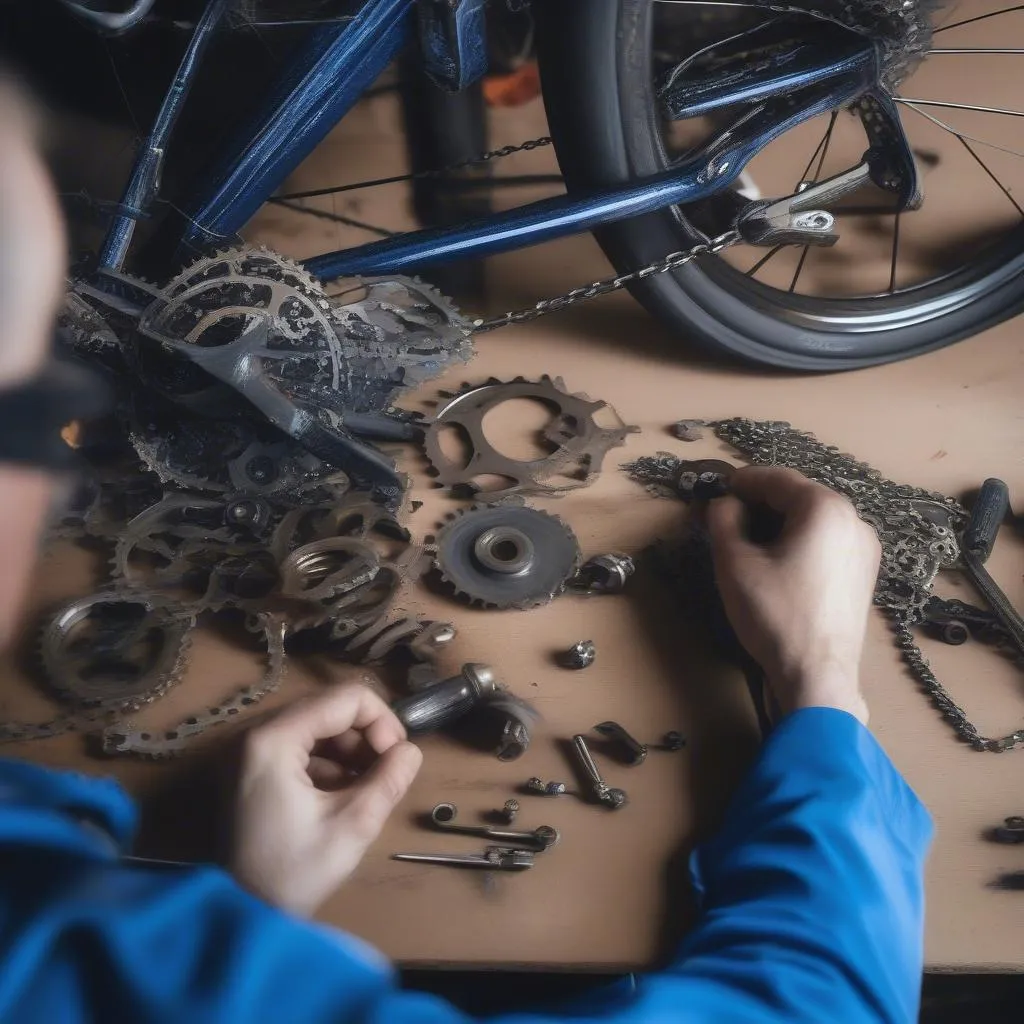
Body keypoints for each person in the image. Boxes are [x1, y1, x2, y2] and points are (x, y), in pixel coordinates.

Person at [0, 78, 931, 1023]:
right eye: (43, 415)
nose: (59, 483)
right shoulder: (55, 943)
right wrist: (818, 675)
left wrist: (232, 920)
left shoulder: (56, 928)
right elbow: (815, 1006)